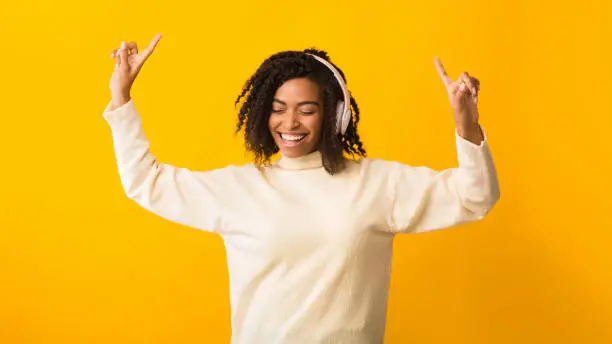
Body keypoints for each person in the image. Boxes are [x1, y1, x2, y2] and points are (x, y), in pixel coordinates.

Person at [104, 33, 500, 344]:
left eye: (307, 109)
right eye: (278, 108)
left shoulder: (378, 183)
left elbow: (475, 196)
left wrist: (466, 124)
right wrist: (120, 97)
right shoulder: (241, 188)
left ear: (336, 115)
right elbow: (146, 182)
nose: (289, 123)